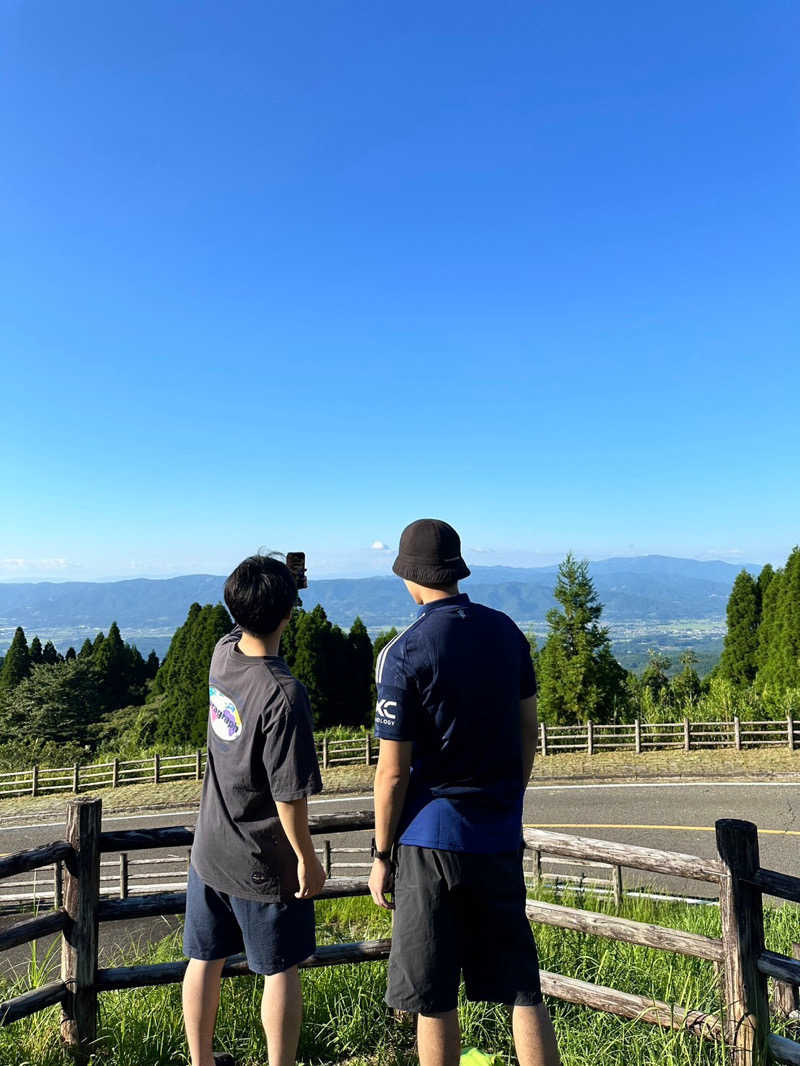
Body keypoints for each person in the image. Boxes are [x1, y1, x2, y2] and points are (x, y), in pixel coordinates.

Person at [368, 519, 560, 1066]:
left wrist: (381, 856)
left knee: (433, 994)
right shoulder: (506, 632)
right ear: (455, 569)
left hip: (430, 841)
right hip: (497, 833)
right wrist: (508, 795)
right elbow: (528, 730)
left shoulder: (403, 652)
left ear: (408, 574)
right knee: (522, 986)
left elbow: (392, 773)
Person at [182, 554, 326, 1066]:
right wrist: (307, 857)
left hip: (210, 851)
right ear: (290, 612)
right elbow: (289, 795)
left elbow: (240, 623)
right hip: (261, 862)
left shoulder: (223, 655)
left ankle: (201, 1061)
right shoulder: (283, 694)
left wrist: (278, 589)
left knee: (204, 960)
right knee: (279, 969)